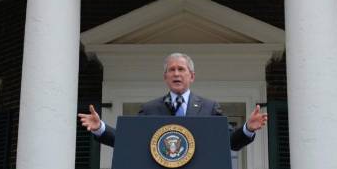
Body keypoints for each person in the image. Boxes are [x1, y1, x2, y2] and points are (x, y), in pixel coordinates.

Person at [78, 53, 267, 151]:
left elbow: (227, 142)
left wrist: (247, 129)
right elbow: (130, 141)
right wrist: (100, 128)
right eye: (172, 70)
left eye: (181, 69)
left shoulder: (209, 108)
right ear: (165, 77)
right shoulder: (151, 109)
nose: (176, 73)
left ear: (191, 76)